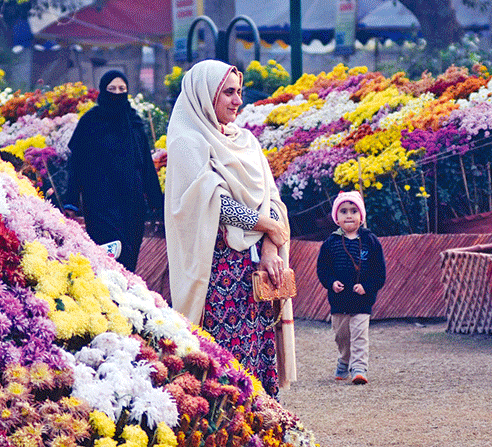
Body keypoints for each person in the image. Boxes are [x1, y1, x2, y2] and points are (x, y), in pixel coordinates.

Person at [164, 60, 295, 397]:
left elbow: (271, 196)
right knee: (226, 362)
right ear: (205, 95)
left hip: (259, 269)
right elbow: (213, 203)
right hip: (219, 272)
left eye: (240, 92)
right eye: (228, 93)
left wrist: (270, 246)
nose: (238, 100)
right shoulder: (188, 141)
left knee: (259, 350)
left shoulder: (246, 141)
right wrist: (267, 225)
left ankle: (263, 428)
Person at [65, 70, 163, 272]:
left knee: (128, 261)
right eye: (112, 89)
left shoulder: (134, 122)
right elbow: (76, 165)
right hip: (100, 204)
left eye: (122, 89)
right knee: (107, 260)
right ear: (102, 90)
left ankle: (124, 302)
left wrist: (157, 203)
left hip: (132, 205)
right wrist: (71, 201)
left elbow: (145, 164)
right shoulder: (90, 122)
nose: (117, 93)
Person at [316, 191, 386, 385]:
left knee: (360, 335)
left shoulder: (371, 241)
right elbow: (322, 269)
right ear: (336, 218)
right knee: (342, 336)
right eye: (344, 211)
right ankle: (344, 359)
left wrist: (367, 287)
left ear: (361, 216)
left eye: (354, 211)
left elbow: (379, 273)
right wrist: (331, 283)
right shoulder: (330, 243)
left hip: (362, 301)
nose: (349, 215)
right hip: (339, 301)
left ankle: (359, 368)